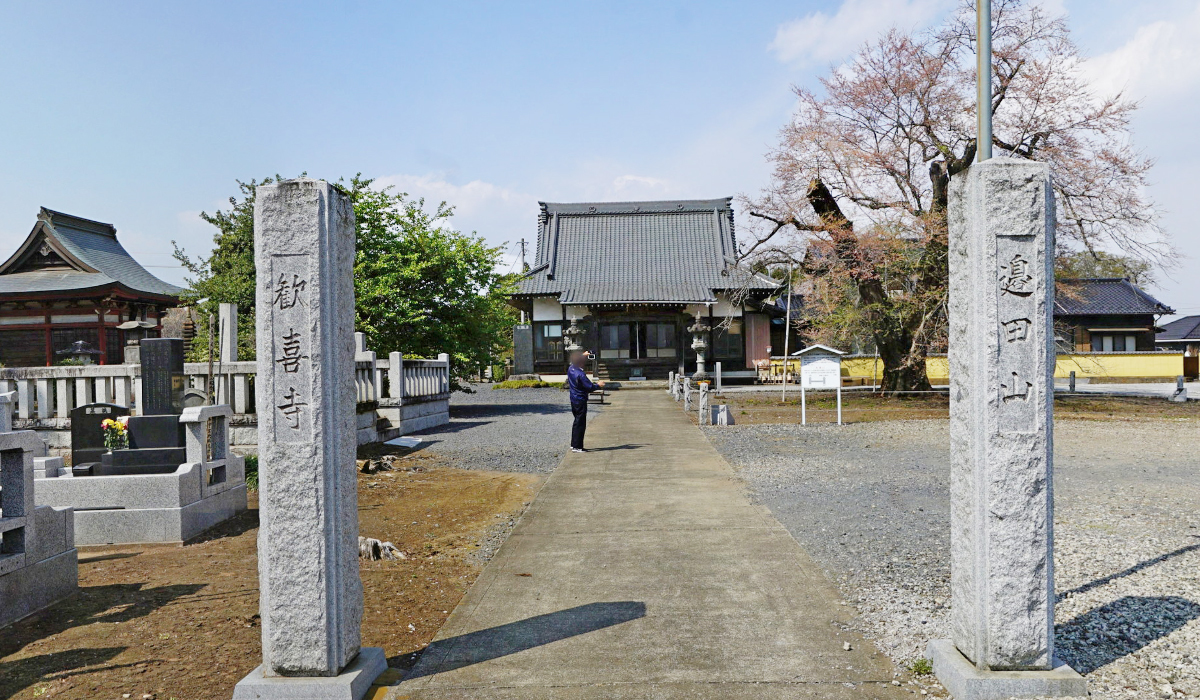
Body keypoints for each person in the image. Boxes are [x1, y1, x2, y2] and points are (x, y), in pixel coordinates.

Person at [566, 350, 604, 452]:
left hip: (573, 398)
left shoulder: (571, 369)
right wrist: (598, 385)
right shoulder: (581, 374)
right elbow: (589, 386)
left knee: (576, 422)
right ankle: (578, 446)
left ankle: (574, 444)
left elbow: (574, 361)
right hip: (580, 399)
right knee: (580, 423)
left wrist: (584, 354)